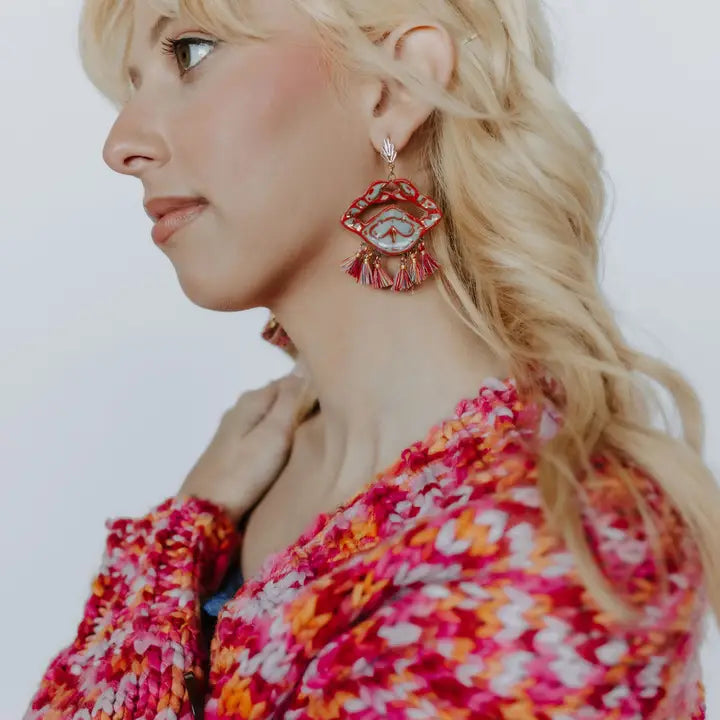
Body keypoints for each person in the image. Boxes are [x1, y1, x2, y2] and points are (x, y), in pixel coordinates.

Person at [23, 0, 719, 718]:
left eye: (190, 51)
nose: (121, 144)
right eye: (132, 84)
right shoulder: (248, 474)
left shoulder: (560, 551)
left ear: (395, 88)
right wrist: (185, 533)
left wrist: (165, 561)